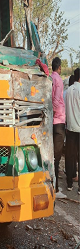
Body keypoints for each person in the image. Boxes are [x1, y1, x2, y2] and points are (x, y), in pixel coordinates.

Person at [51, 57, 66, 198]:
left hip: (52, 121)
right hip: (58, 120)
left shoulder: (49, 77)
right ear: (59, 67)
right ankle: (55, 189)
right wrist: (54, 111)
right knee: (56, 156)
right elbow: (55, 100)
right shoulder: (59, 80)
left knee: (52, 156)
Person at [65, 68, 80, 193]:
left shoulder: (68, 91)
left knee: (70, 157)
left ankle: (69, 184)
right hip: (79, 128)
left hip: (69, 128)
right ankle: (80, 187)